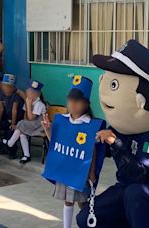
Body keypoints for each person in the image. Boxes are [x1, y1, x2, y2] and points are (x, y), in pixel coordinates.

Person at [76, 40, 149, 228]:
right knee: (85, 218)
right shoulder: (117, 128)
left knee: (135, 196)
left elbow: (140, 174)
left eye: (114, 84)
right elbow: (99, 152)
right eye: (106, 79)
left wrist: (117, 144)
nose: (103, 88)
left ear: (141, 101)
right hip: (125, 189)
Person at [42, 76, 105, 228]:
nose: (73, 103)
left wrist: (91, 172)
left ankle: (89, 224)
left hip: (80, 171)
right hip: (65, 169)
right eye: (71, 99)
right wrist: (48, 130)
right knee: (68, 200)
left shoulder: (91, 125)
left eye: (78, 100)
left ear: (86, 103)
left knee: (84, 202)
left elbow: (92, 150)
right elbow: (56, 145)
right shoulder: (61, 120)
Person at [2, 80, 47, 163]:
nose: (27, 93)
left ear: (37, 94)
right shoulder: (28, 101)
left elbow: (31, 118)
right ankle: (26, 155)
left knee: (20, 124)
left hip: (39, 126)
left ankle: (10, 143)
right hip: (31, 125)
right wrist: (23, 126)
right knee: (22, 130)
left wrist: (29, 106)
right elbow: (25, 117)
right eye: (28, 91)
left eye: (30, 92)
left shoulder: (39, 104)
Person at [0, 74, 24, 158]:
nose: (6, 88)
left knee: (10, 131)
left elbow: (14, 110)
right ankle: (0, 147)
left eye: (8, 87)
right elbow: (1, 109)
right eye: (4, 86)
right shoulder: (1, 94)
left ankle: (12, 151)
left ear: (13, 87)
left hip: (17, 120)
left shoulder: (15, 96)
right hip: (7, 119)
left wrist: (13, 124)